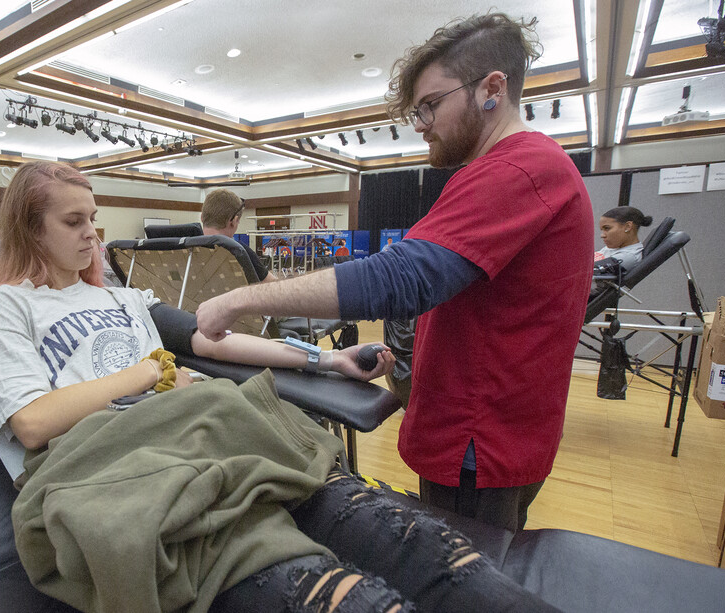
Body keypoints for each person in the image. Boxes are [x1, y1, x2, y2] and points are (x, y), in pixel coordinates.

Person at [0, 160, 559, 613]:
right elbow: (33, 422)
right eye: (74, 222)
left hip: (207, 433)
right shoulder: (8, 307)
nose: (93, 234)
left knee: (410, 540)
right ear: (28, 228)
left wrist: (324, 361)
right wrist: (152, 372)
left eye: (93, 218)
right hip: (120, 461)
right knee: (339, 595)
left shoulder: (119, 297)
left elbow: (210, 339)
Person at [197, 13, 594, 533]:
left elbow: (401, 279)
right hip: (480, 428)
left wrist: (240, 299)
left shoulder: (518, 170)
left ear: (491, 89)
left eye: (430, 105)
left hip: (480, 438)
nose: (420, 123)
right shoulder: (508, 171)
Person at [201, 189, 276, 282]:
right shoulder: (239, 250)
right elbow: (273, 285)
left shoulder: (187, 246)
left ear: (202, 218)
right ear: (234, 221)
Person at [594, 206, 652, 272]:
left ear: (628, 227)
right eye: (602, 230)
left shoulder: (629, 256)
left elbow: (584, 271)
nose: (602, 235)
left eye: (607, 228)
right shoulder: (612, 248)